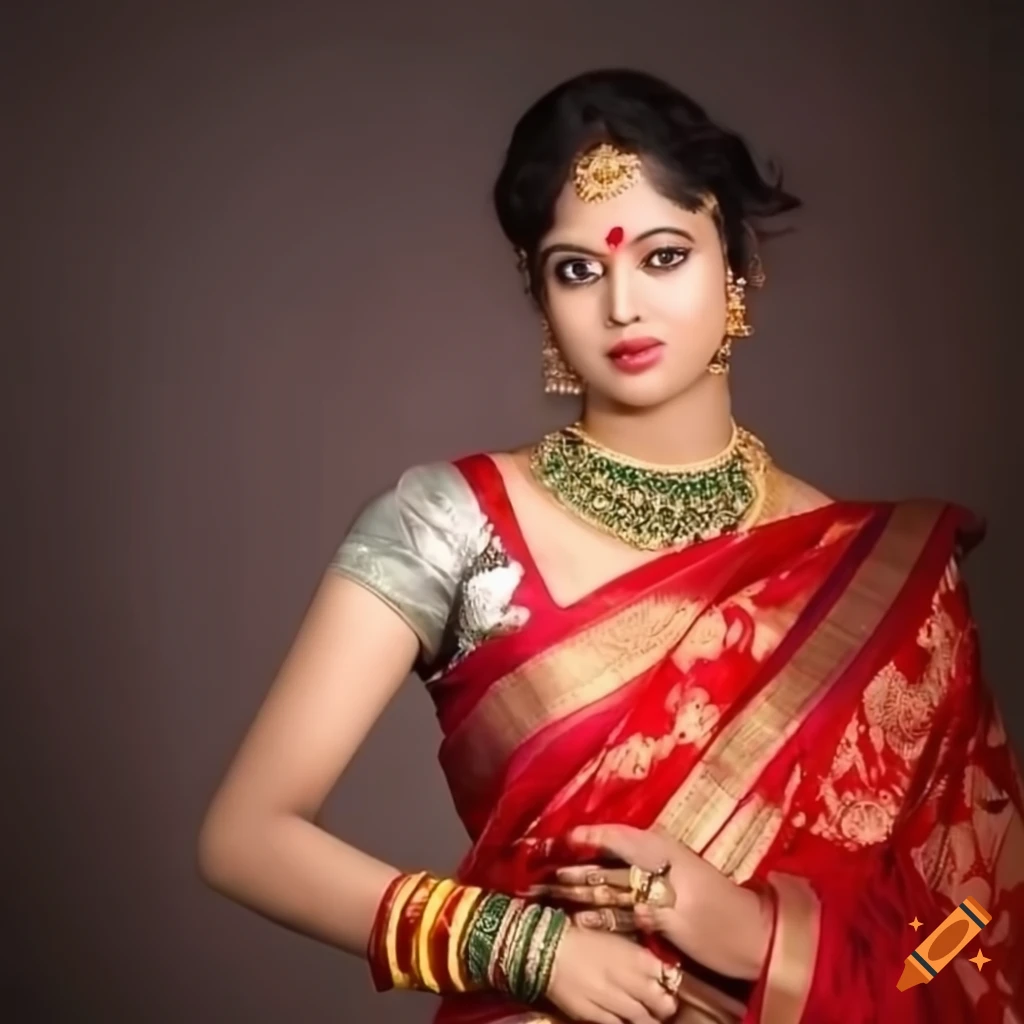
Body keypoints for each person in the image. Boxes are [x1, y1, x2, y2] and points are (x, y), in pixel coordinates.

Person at [197, 69, 1023, 1024]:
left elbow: (970, 924)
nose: (623, 306)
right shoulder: (449, 526)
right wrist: (526, 948)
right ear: (538, 293)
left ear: (738, 261)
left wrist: (760, 934)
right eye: (578, 269)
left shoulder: (891, 581)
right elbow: (245, 836)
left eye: (664, 256)